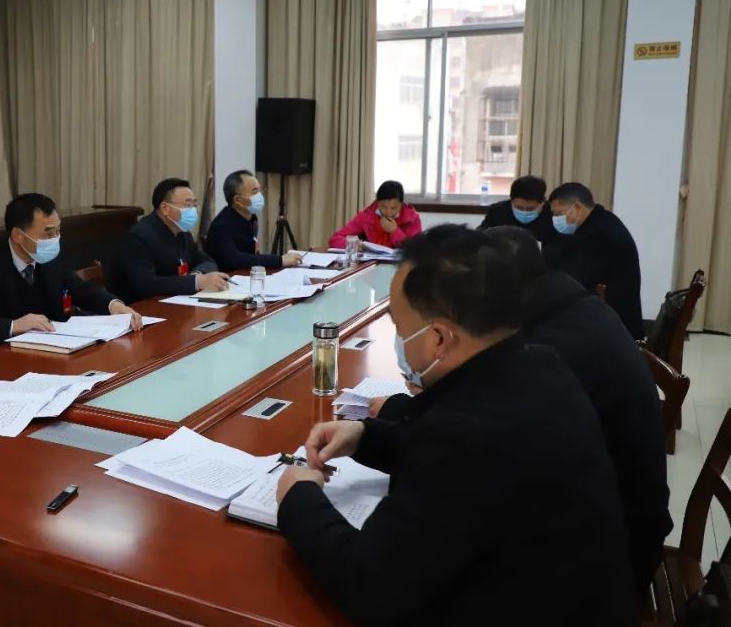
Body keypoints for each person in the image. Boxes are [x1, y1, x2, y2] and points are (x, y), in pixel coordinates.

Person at [274, 225, 636, 626]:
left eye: (399, 328)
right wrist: (366, 436)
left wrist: (298, 498)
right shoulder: (538, 364)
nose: (398, 340)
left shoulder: (466, 436)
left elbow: (370, 587)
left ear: (438, 340)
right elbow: (466, 467)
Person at [485, 226, 670, 593]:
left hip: (611, 560)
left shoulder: (551, 348)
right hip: (615, 519)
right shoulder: (567, 302)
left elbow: (489, 443)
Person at [0, 193, 142, 357]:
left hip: (48, 353)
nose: (55, 239)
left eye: (58, 231)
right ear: (18, 235)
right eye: (48, 233)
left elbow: (80, 288)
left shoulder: (49, 257)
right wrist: (12, 326)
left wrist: (114, 306)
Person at [547, 182, 644, 339]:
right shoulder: (601, 221)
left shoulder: (598, 233)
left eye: (558, 214)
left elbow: (574, 280)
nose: (555, 220)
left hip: (615, 328)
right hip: (610, 318)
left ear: (577, 207)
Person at [110, 178, 228, 302]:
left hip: (176, 300)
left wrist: (197, 274)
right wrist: (196, 282)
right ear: (165, 208)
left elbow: (207, 261)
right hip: (141, 306)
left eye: (194, 205)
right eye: (187, 205)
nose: (193, 210)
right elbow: (146, 284)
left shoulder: (182, 231)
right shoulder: (139, 237)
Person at [205, 170, 302, 272]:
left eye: (259, 190)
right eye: (254, 192)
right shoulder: (221, 226)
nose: (259, 196)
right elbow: (235, 260)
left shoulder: (251, 218)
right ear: (238, 200)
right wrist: (279, 260)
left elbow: (252, 254)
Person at [328, 180, 422, 250]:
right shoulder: (367, 215)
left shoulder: (412, 218)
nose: (388, 212)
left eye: (394, 208)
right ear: (377, 202)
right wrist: (354, 245)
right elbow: (335, 239)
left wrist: (394, 232)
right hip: (371, 264)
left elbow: (416, 250)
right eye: (383, 206)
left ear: (401, 204)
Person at [478, 175, 559, 250]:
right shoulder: (498, 210)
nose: (524, 212)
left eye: (530, 208)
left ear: (543, 202)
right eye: (519, 207)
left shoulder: (555, 214)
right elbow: (480, 235)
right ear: (511, 200)